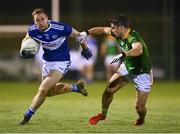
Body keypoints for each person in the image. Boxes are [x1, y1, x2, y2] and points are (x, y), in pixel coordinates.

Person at [19, 8, 92, 125]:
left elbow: (79, 35)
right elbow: (26, 38)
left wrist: (85, 48)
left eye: (42, 19)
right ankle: (76, 88)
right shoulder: (32, 30)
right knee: (48, 92)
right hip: (47, 62)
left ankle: (26, 116)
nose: (40, 22)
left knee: (42, 89)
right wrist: (23, 49)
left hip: (61, 62)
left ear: (47, 18)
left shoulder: (60, 28)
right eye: (37, 20)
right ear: (34, 22)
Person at [79, 15, 153, 126]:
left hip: (142, 73)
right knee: (109, 89)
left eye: (114, 28)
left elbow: (138, 49)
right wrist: (86, 33)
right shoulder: (117, 33)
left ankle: (141, 118)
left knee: (139, 107)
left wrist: (124, 54)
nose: (112, 30)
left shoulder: (133, 36)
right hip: (127, 67)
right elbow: (102, 30)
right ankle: (103, 114)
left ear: (121, 28)